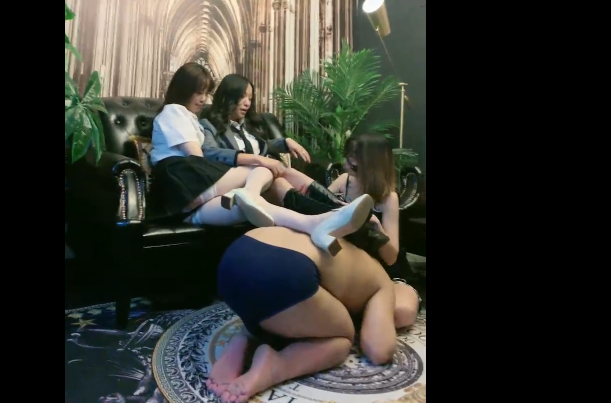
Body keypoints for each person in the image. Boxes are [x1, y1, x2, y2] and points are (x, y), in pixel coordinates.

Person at [150, 63, 372, 256]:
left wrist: (281, 143)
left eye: (206, 93)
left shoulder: (194, 119)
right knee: (264, 167)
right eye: (199, 92)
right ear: (184, 90)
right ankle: (332, 207)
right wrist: (259, 162)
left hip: (191, 209)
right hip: (183, 185)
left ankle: (314, 225)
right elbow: (196, 156)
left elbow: (260, 144)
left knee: (253, 206)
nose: (203, 99)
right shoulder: (175, 111)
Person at [207, 225, 396, 403]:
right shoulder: (382, 280)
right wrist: (391, 294)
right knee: (343, 339)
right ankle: (278, 364)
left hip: (236, 254)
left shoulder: (336, 239)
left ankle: (246, 336)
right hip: (283, 273)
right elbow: (379, 351)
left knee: (283, 308)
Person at [199, 74, 346, 215]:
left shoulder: (247, 125)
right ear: (228, 96)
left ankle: (338, 207)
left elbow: (263, 145)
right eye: (242, 96)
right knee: (279, 182)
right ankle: (333, 213)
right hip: (241, 182)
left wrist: (286, 142)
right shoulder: (209, 124)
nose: (247, 103)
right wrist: (259, 160)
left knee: (286, 173)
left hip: (265, 178)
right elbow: (210, 152)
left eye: (250, 98)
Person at [329, 134, 421, 329]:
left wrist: (376, 227)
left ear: (369, 161)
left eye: (352, 156)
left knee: (401, 313)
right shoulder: (343, 182)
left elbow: (391, 258)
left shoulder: (388, 198)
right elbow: (316, 209)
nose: (345, 161)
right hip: (348, 264)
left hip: (385, 271)